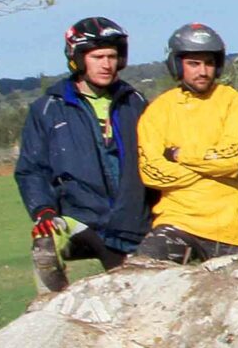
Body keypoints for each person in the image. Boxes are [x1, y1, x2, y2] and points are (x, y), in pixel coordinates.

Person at [17, 16, 149, 292]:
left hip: (129, 220)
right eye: (97, 56)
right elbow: (32, 169)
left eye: (112, 56)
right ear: (77, 58)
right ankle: (49, 314)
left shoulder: (134, 103)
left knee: (136, 294)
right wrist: (43, 210)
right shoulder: (48, 109)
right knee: (44, 246)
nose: (106, 64)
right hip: (77, 218)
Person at [135, 23, 238, 265]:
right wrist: (211, 170)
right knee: (143, 278)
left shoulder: (235, 103)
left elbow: (231, 161)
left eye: (209, 63)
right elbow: (152, 173)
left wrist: (179, 155)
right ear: (177, 64)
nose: (203, 71)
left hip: (233, 225)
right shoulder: (158, 110)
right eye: (194, 63)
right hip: (177, 221)